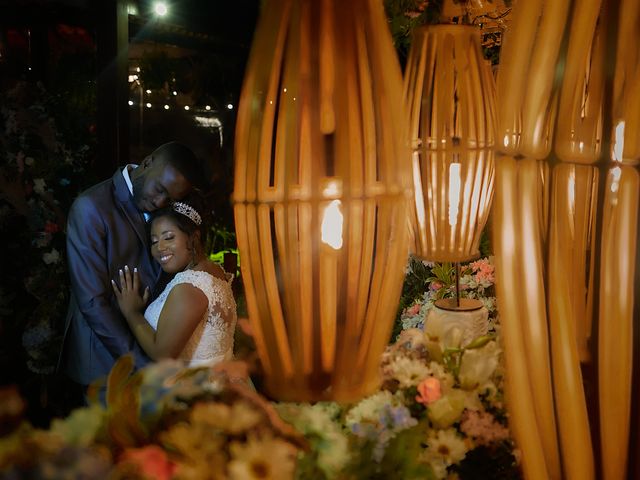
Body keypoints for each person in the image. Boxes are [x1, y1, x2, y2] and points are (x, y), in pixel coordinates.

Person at [60, 141, 208, 392]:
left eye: (170, 198)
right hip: (103, 364)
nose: (160, 201)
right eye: (159, 189)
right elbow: (92, 303)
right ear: (148, 162)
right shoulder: (91, 207)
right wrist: (143, 365)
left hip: (156, 349)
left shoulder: (164, 205)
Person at [111, 196, 237, 366]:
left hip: (197, 387)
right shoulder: (215, 270)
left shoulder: (190, 286)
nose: (159, 248)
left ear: (194, 237)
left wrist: (131, 313)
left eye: (168, 237)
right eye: (154, 241)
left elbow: (162, 354)